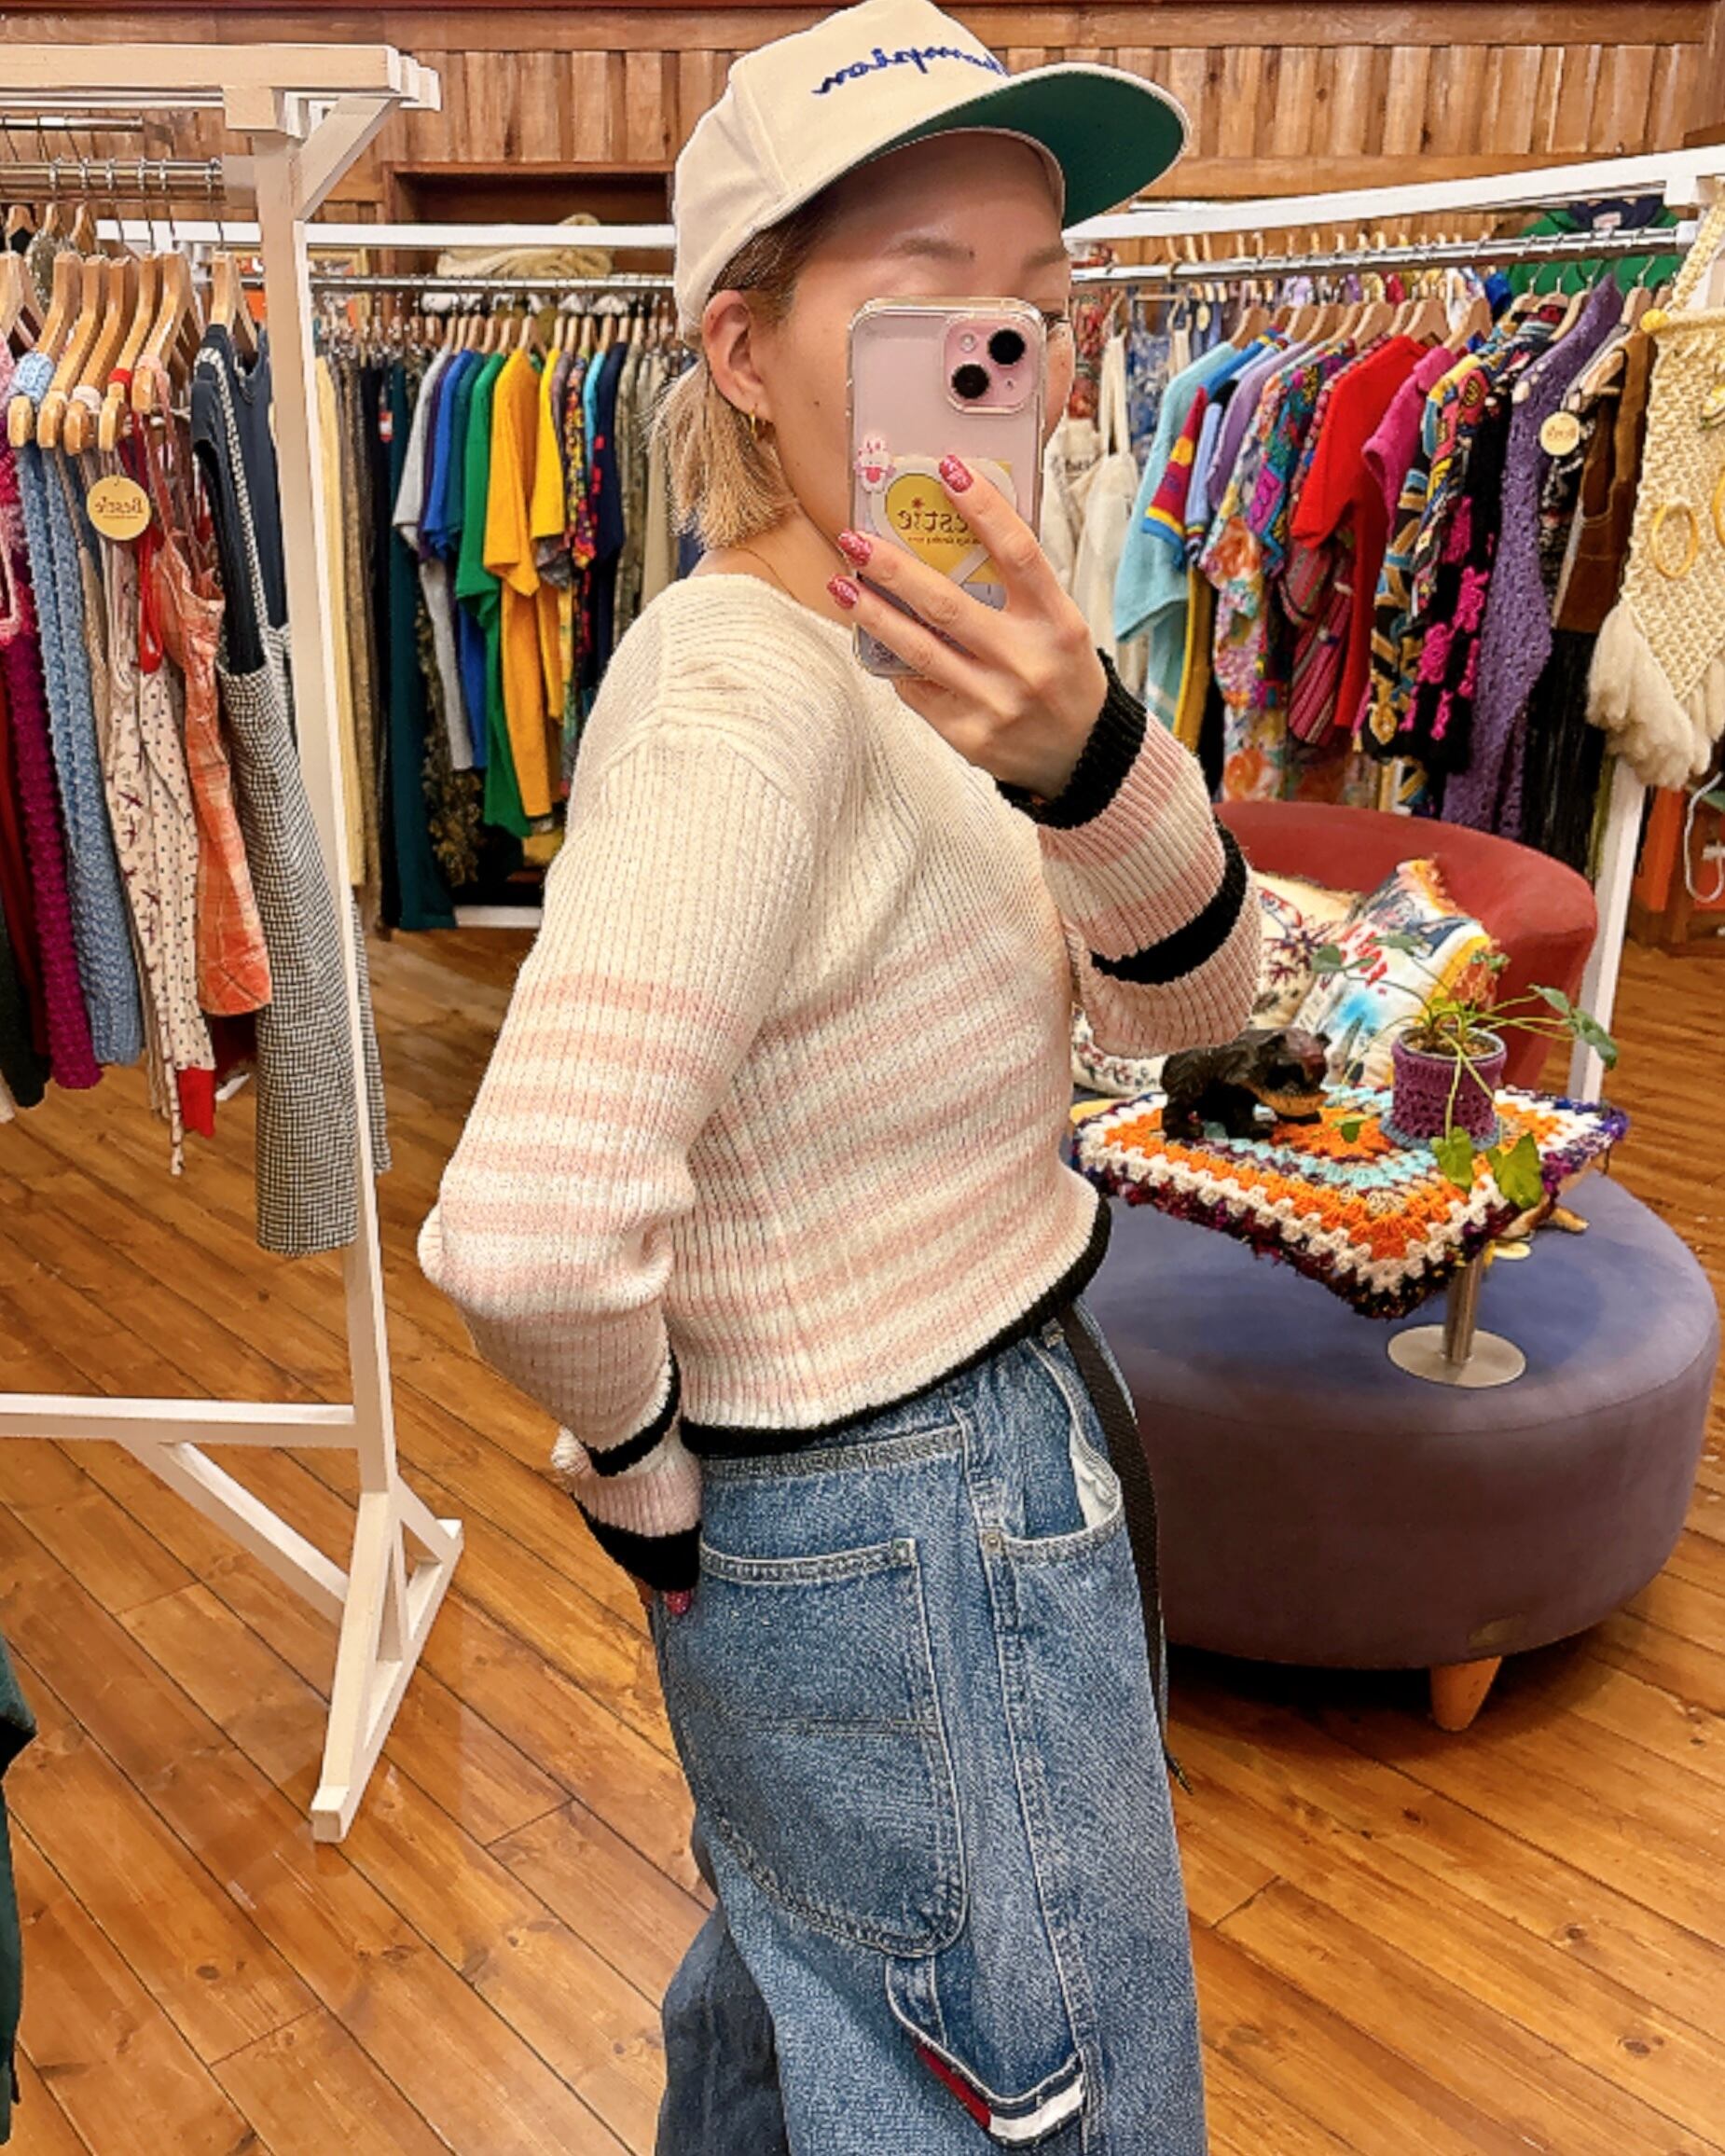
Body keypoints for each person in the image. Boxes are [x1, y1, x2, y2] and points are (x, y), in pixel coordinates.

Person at [420, 2, 1260, 2147]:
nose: (1003, 356)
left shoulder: (966, 649)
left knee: (823, 2016)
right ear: (741, 348)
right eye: (924, 301)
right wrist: (641, 1473)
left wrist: (1087, 754)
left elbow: (1185, 1024)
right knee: (1035, 2090)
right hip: (903, 1506)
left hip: (944, 1464)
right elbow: (525, 1230)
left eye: (1034, 302)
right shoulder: (746, 702)